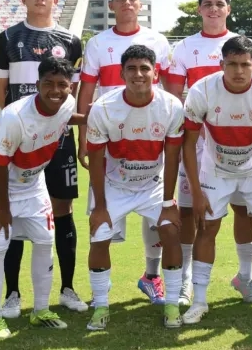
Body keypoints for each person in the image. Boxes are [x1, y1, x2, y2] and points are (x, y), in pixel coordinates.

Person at [0, 0, 86, 316]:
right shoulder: (6, 39)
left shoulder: (71, 41)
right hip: (20, 146)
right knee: (13, 214)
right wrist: (26, 127)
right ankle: (13, 294)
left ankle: (68, 289)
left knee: (63, 211)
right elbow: (1, 94)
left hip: (60, 142)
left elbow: (71, 92)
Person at [180, 35, 252, 325]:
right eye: (232, 64)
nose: (239, 71)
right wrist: (195, 191)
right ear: (221, 65)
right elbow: (188, 144)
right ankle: (200, 301)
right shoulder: (201, 90)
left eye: (245, 64)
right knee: (206, 228)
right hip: (215, 170)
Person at [77, 0, 172, 305]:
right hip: (109, 138)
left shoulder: (158, 41)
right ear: (112, 5)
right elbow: (86, 90)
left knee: (157, 217)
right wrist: (82, 137)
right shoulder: (98, 43)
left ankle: (152, 276)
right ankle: (100, 294)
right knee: (104, 223)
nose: (127, 3)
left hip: (149, 138)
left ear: (139, 3)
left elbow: (169, 89)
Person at [0, 57, 87, 338]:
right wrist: (4, 210)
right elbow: (0, 164)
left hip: (32, 178)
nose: (55, 90)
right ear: (36, 84)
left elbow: (64, 117)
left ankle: (41, 311)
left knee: (44, 240)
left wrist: (92, 119)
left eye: (62, 85)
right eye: (48, 83)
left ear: (70, 87)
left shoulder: (68, 104)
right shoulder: (15, 117)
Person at [166, 0, 252, 306]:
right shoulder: (184, 49)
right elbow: (174, 98)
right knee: (192, 211)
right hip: (198, 144)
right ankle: (186, 280)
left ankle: (245, 276)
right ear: (200, 10)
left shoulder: (243, 46)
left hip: (238, 145)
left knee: (243, 210)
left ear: (228, 9)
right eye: (208, 4)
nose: (214, 9)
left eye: (220, 4)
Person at [84, 45, 186, 330]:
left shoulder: (171, 106)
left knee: (170, 229)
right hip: (113, 185)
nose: (138, 74)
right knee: (100, 235)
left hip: (152, 185)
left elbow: (173, 156)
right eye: (131, 69)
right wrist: (100, 207)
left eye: (145, 68)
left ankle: (173, 306)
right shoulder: (104, 107)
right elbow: (95, 160)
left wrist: (168, 202)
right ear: (121, 73)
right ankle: (101, 305)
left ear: (155, 73)